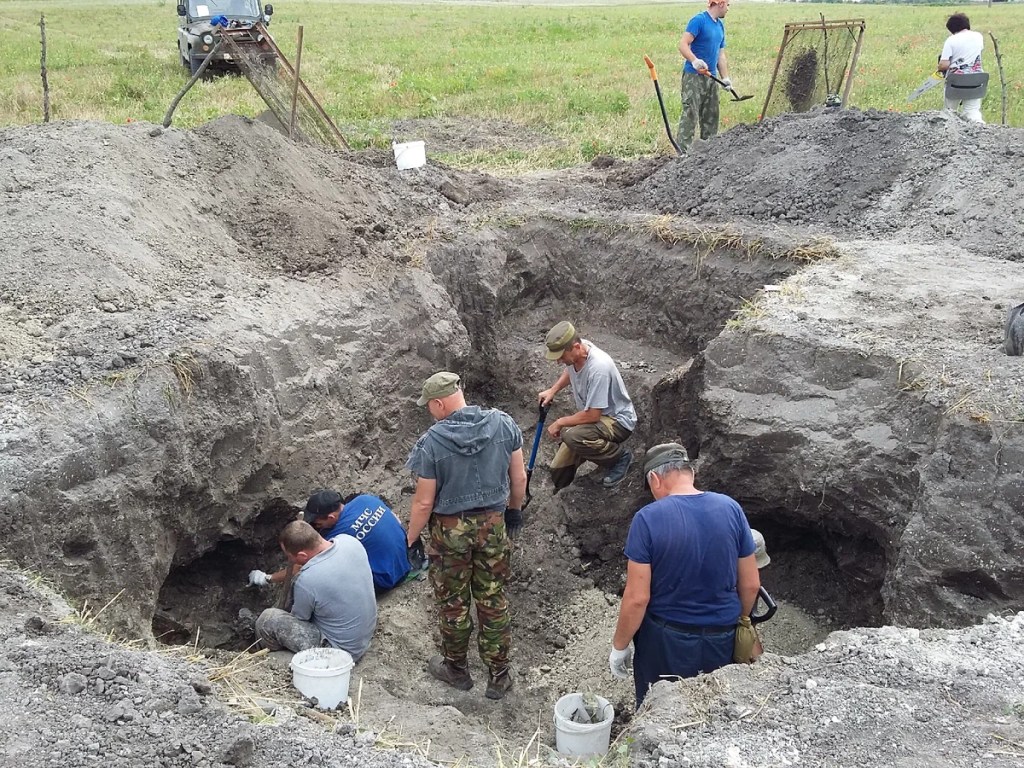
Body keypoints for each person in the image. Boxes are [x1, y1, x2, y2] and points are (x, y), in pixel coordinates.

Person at [608, 443, 760, 707]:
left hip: (666, 642)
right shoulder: (731, 509)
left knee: (660, 712)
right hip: (721, 636)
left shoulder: (647, 519)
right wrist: (743, 622)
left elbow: (637, 598)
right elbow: (750, 585)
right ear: (690, 473)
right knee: (715, 711)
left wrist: (619, 647)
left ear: (654, 478)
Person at [405, 371, 526, 700]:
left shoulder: (432, 443)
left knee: (454, 604)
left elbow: (424, 501)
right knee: (493, 600)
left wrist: (412, 538)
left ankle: (456, 670)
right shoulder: (503, 424)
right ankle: (499, 676)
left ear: (439, 403)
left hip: (450, 533)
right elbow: (519, 477)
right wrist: (513, 512)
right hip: (493, 526)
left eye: (429, 406)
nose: (430, 412)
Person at [253, 521, 377, 659]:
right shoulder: (349, 541)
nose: (289, 560)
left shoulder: (307, 580)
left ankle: (268, 659)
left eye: (289, 556)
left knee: (267, 620)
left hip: (339, 652)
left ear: (302, 556)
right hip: (362, 636)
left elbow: (300, 619)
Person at [538, 321, 636, 491]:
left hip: (617, 421)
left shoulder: (599, 367)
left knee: (574, 436)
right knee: (558, 468)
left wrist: (560, 422)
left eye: (561, 356)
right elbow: (570, 369)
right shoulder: (581, 351)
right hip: (597, 418)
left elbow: (592, 416)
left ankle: (620, 458)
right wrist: (553, 390)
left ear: (576, 346)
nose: (559, 361)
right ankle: (561, 492)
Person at [302, 490, 412, 592]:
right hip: (407, 558)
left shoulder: (336, 536)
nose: (317, 527)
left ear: (331, 517)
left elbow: (310, 562)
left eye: (318, 524)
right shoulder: (365, 499)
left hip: (386, 580)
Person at [677, 0, 732, 152]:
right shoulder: (699, 21)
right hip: (693, 77)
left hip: (712, 78)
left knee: (711, 117)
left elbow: (721, 55)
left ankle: (708, 154)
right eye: (728, 5)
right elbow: (683, 44)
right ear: (720, 4)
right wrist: (694, 60)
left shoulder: (720, 26)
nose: (728, 9)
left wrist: (725, 78)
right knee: (690, 115)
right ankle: (682, 155)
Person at [938, 13, 985, 123]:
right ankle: (982, 133)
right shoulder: (978, 36)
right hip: (976, 80)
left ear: (951, 28)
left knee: (950, 111)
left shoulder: (951, 40)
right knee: (972, 111)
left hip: (955, 82)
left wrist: (939, 67)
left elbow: (944, 64)